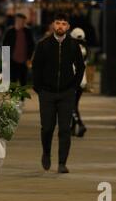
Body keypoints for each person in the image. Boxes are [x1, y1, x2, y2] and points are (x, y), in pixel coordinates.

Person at [32, 13, 85, 174]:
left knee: (65, 129)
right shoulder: (44, 44)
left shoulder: (73, 45)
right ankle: (46, 152)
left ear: (68, 27)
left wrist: (74, 86)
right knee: (47, 127)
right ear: (53, 25)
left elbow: (80, 66)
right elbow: (36, 67)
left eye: (63, 23)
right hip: (47, 93)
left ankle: (62, 162)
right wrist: (38, 88)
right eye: (57, 23)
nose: (60, 26)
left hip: (66, 93)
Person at [1, 13, 35, 87]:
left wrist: (29, 58)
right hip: (12, 60)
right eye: (21, 21)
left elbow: (32, 45)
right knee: (13, 80)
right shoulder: (10, 31)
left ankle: (22, 98)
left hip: (24, 60)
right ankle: (13, 97)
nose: (22, 23)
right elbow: (4, 45)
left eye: (23, 22)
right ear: (16, 21)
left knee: (23, 81)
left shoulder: (27, 32)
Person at [70, 28, 88, 137]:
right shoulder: (85, 48)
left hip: (73, 80)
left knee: (71, 105)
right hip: (82, 80)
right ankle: (72, 128)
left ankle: (80, 124)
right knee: (74, 104)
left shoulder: (73, 48)